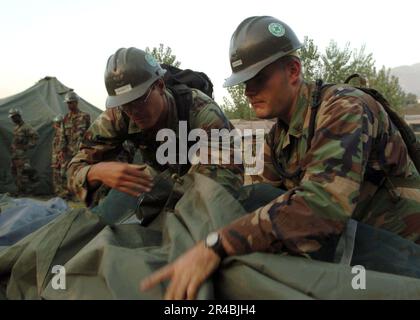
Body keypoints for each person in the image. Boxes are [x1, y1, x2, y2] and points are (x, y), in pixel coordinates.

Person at [141, 15, 420, 299]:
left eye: (258, 79)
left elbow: (323, 207)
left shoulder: (344, 107)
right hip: (352, 244)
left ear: (293, 70)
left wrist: (218, 243)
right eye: (244, 82)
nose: (249, 92)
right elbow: (264, 201)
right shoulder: (279, 137)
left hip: (400, 248)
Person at [67, 47, 243, 207]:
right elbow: (73, 170)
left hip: (196, 186)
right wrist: (96, 172)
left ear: (160, 86)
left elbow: (225, 180)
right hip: (159, 184)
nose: (133, 112)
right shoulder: (118, 115)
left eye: (139, 100)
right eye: (125, 105)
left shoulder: (202, 111)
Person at [61, 91, 91, 198]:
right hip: (69, 151)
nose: (69, 105)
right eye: (68, 103)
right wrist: (62, 150)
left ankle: (82, 194)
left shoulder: (85, 116)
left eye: (71, 103)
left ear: (76, 102)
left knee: (81, 172)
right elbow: (63, 135)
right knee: (66, 172)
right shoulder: (65, 118)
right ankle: (69, 193)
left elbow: (89, 134)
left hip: (81, 151)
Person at [9, 108, 39, 195]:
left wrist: (27, 146)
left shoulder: (26, 127)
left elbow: (36, 136)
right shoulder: (16, 128)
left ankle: (25, 192)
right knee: (15, 173)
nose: (12, 120)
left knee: (22, 173)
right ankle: (19, 191)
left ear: (18, 116)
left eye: (14, 117)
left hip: (21, 155)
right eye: (12, 118)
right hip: (15, 155)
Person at [51, 115, 67, 197]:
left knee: (61, 176)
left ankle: (63, 194)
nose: (55, 125)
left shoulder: (62, 134)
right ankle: (59, 193)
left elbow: (62, 148)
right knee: (57, 176)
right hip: (56, 159)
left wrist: (59, 160)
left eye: (56, 123)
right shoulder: (57, 134)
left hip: (60, 159)